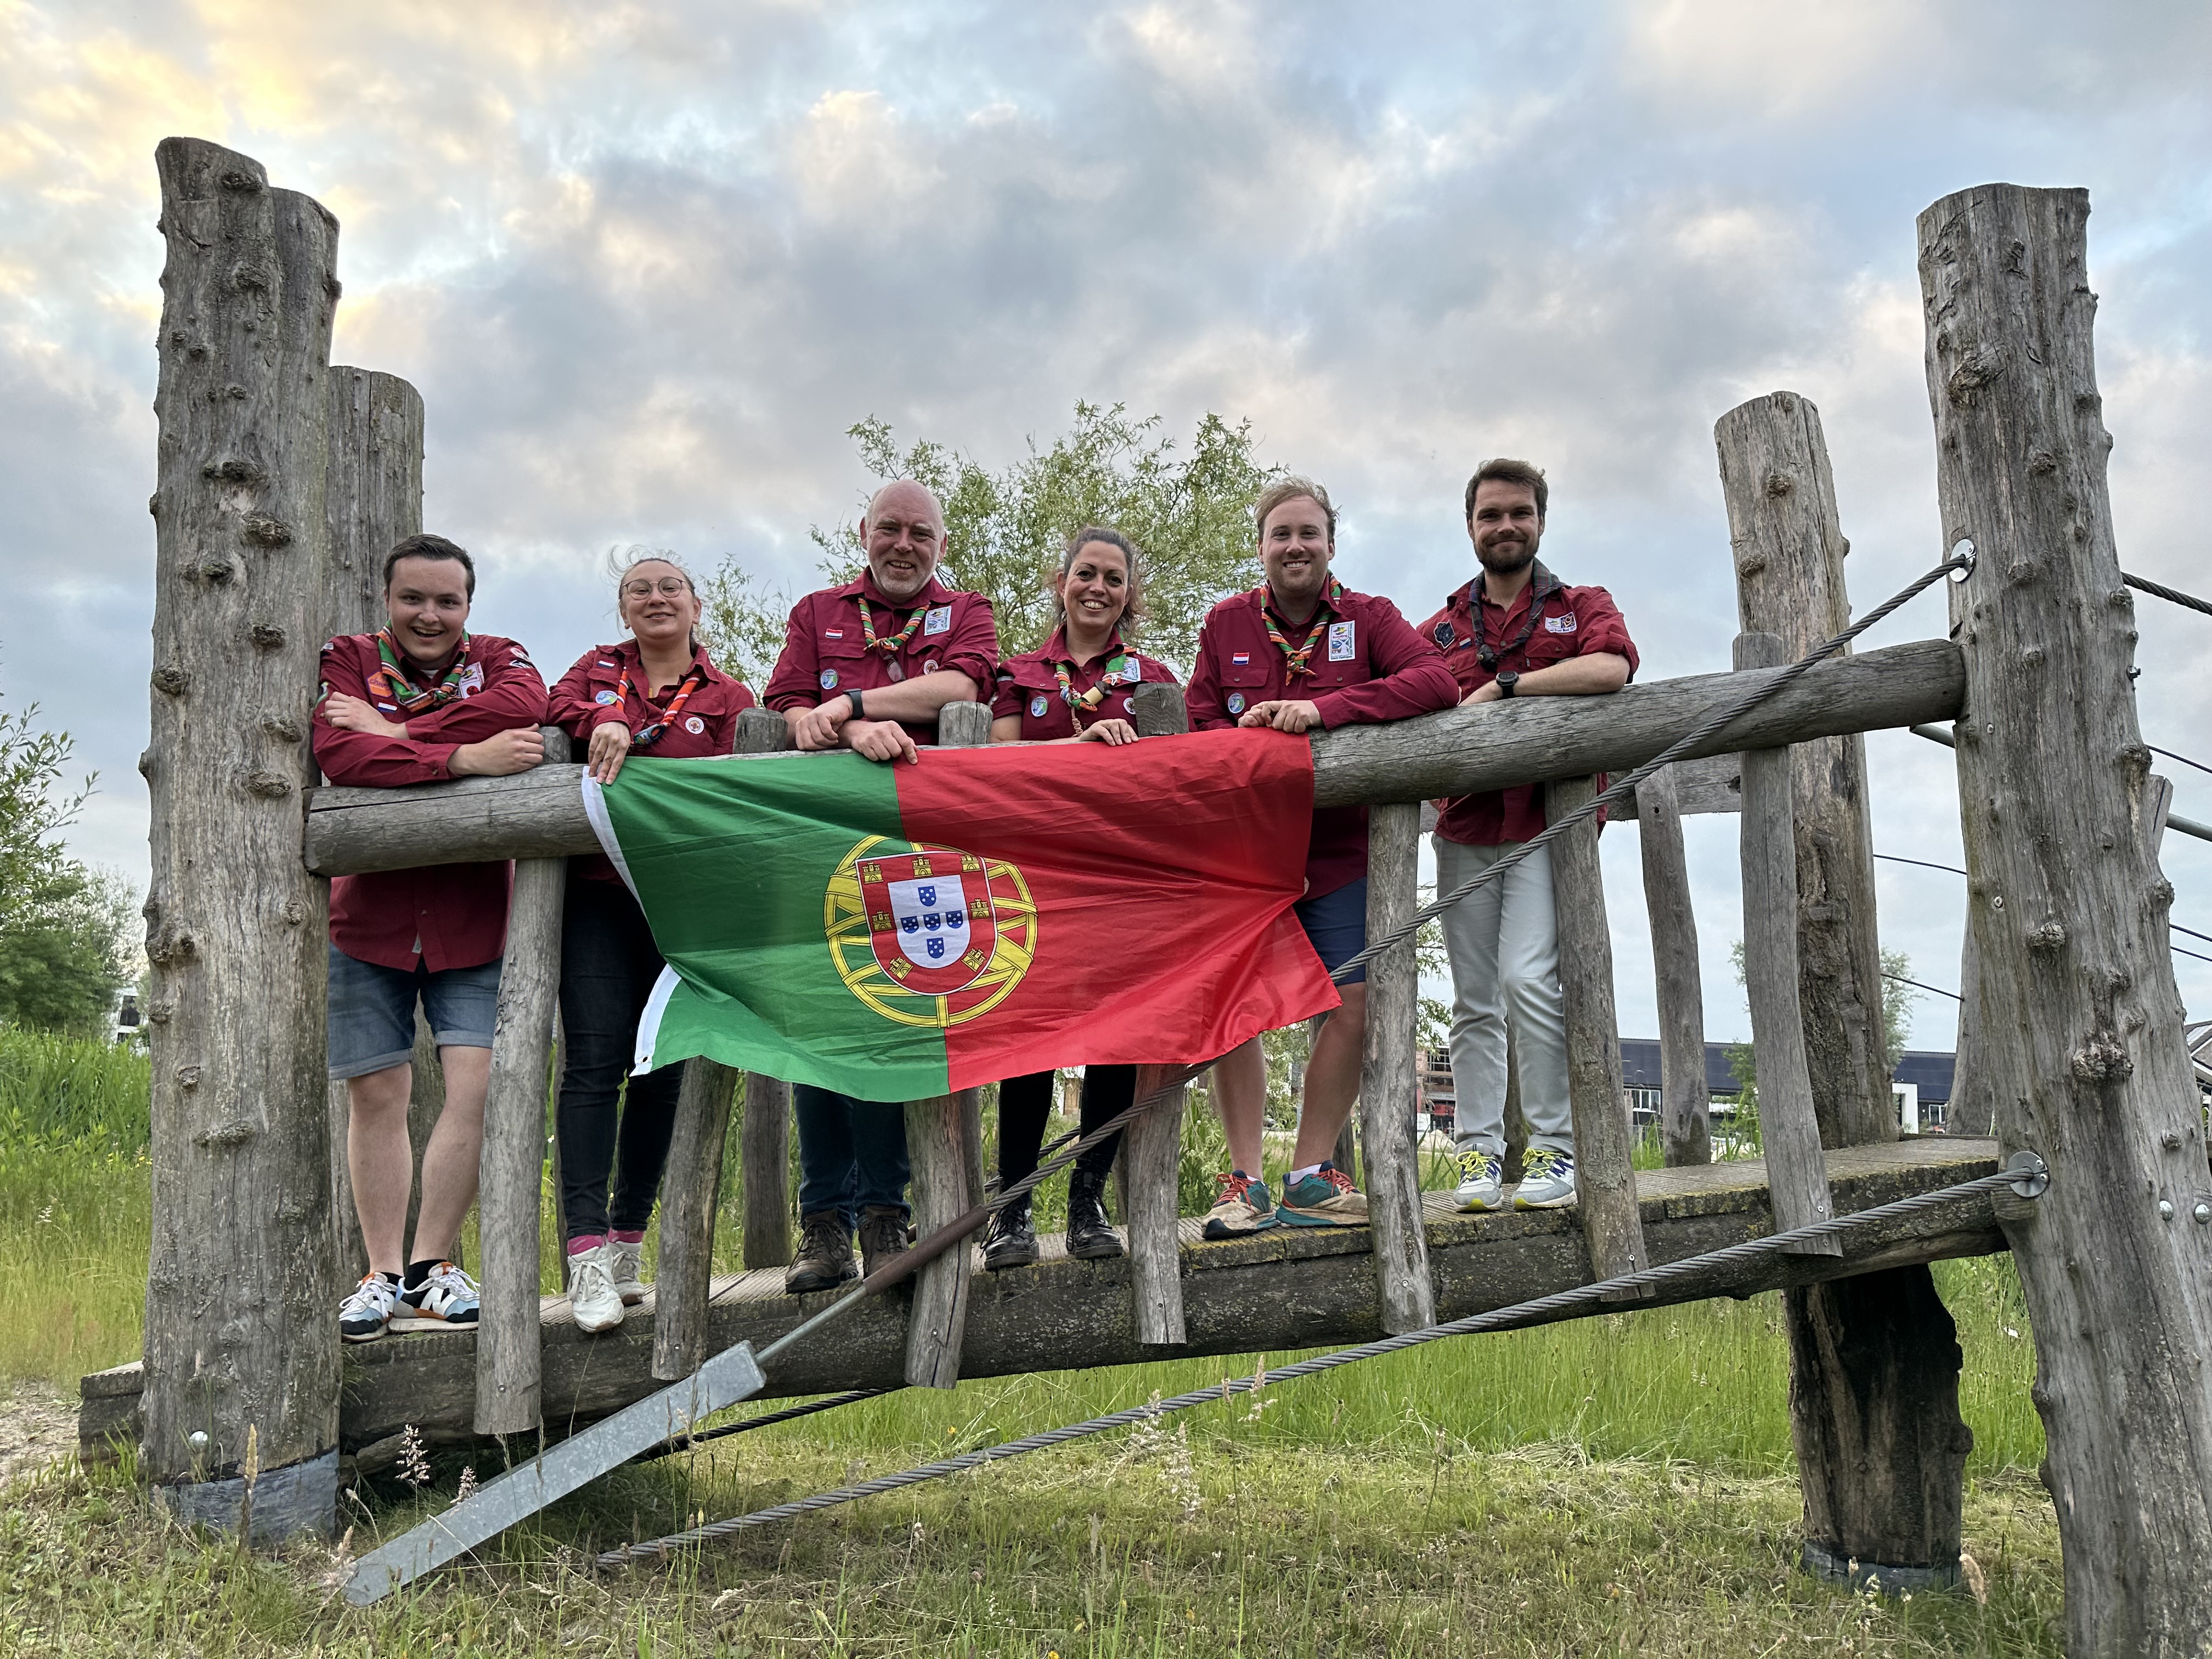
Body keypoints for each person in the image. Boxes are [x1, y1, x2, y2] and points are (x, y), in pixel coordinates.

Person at [1185, 479, 1458, 1235]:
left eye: (1308, 533)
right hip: (1248, 857)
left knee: (1358, 1005)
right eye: (1281, 534)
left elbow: (1436, 682)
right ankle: (1242, 1181)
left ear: (1331, 544)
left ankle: (1308, 1176)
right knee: (1235, 1010)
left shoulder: (1370, 620)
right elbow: (1201, 719)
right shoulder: (1226, 623)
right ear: (1262, 546)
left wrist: (1323, 712)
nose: (1295, 546)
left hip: (1340, 855)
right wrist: (1252, 745)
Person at [763, 480, 1001, 1291]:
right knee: (818, 1030)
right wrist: (838, 723)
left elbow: (963, 689)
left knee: (898, 1016)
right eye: (890, 529)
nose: (904, 544)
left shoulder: (969, 610)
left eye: (921, 533)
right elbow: (789, 704)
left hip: (919, 852)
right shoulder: (817, 611)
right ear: (863, 532)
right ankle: (823, 1222)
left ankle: (885, 1214)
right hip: (821, 849)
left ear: (941, 542)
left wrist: (855, 701)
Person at [314, 533, 550, 1342]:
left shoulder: (503, 656)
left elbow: (523, 714)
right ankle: (380, 1273)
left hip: (474, 915)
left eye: (447, 601)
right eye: (414, 598)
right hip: (369, 917)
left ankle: (432, 1266)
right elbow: (336, 753)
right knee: (377, 1095)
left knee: (476, 1088)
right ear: (388, 599)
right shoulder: (346, 656)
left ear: (468, 607)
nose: (430, 614)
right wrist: (462, 757)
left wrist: (397, 733)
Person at [1418, 459, 1637, 1212]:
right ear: (1471, 526)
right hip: (1466, 823)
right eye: (1490, 515)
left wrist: (1507, 686)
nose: (1505, 526)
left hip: (1547, 826)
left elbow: (1610, 669)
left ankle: (1554, 1150)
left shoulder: (1582, 604)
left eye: (1519, 513)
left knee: (1526, 980)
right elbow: (1406, 696)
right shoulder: (1439, 627)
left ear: (1540, 520)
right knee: (1475, 998)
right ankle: (1480, 1156)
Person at [547, 554, 757, 1333]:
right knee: (594, 1065)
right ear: (624, 609)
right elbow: (551, 707)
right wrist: (597, 720)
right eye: (641, 588)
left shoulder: (731, 699)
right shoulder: (594, 673)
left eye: (671, 586)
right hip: (600, 901)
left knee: (662, 1066)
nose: (657, 597)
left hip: (686, 906)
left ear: (697, 605)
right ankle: (585, 1256)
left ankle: (630, 1242)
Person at [981, 526, 1180, 1269]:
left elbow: (1171, 782)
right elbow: (998, 766)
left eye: (1114, 579)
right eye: (1086, 574)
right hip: (1030, 881)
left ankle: (1089, 1198)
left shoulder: (1157, 679)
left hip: (1120, 883)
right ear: (1060, 581)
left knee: (1114, 1042)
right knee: (1027, 1045)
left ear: (1131, 595)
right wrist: (1080, 748)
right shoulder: (1017, 672)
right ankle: (1012, 1210)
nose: (1098, 588)